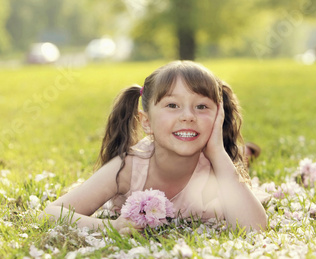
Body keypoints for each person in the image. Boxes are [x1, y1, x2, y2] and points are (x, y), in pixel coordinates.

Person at [41, 61, 267, 234]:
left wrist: (218, 151)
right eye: (172, 105)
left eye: (201, 106)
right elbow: (50, 214)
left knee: (238, 160)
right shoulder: (129, 167)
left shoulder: (216, 164)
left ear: (219, 115)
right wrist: (110, 228)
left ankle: (245, 151)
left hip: (212, 156)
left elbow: (255, 228)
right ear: (146, 122)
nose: (188, 116)